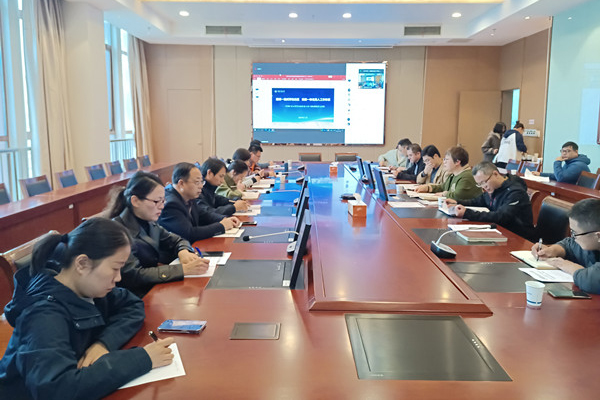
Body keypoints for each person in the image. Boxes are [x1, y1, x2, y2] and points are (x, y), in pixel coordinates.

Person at [0, 218, 175, 399]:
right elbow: (57, 390)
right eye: (115, 268)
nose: (118, 278)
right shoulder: (43, 317)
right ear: (82, 264)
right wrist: (141, 359)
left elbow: (132, 305)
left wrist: (103, 343)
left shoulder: (88, 288)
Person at [107, 171, 209, 297]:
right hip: (135, 296)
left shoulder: (149, 222)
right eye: (157, 201)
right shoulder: (116, 231)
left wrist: (183, 251)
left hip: (154, 289)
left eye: (163, 201)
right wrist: (183, 270)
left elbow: (177, 240)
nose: (162, 206)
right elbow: (133, 274)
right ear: (135, 201)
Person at [444, 162, 536, 241]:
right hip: (500, 231)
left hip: (518, 237)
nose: (484, 187)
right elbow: (478, 201)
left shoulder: (516, 192)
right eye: (480, 184)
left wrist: (467, 213)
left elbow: (501, 216)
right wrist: (457, 202)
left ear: (495, 174)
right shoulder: (494, 188)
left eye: (484, 182)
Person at [158, 162, 240, 243]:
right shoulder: (171, 204)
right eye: (197, 182)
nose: (201, 186)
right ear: (181, 183)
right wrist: (221, 226)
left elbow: (203, 215)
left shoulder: (189, 196)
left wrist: (223, 219)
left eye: (201, 182)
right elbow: (189, 234)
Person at [531, 198, 600, 294]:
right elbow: (569, 244)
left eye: (575, 233)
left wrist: (566, 265)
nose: (573, 237)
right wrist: (553, 250)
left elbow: (592, 282)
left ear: (598, 236)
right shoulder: (590, 240)